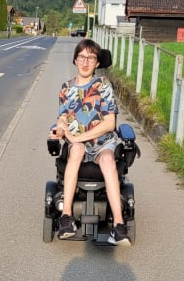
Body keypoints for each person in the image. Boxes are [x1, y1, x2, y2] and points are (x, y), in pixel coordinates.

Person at [49, 38, 131, 246]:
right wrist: (59, 129)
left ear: (97, 63)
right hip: (78, 144)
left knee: (106, 160)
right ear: (75, 60)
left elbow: (109, 123)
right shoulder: (66, 88)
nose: (86, 62)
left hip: (103, 142)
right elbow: (63, 116)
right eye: (82, 57)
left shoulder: (103, 86)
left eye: (91, 58)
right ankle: (66, 217)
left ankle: (119, 226)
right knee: (75, 150)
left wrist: (78, 136)